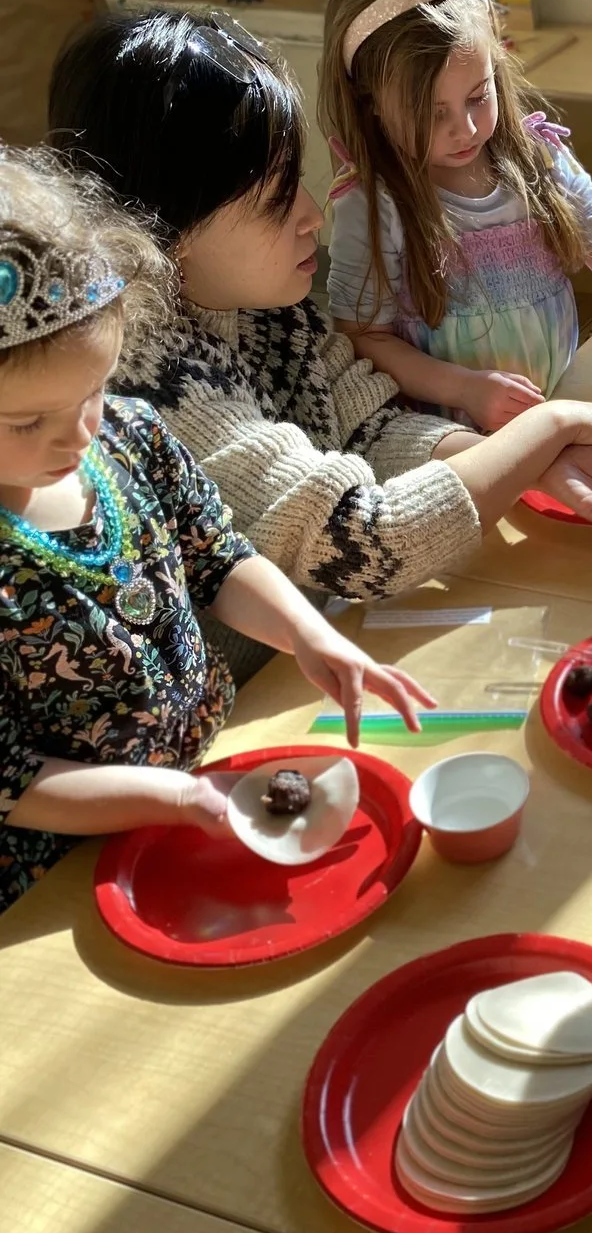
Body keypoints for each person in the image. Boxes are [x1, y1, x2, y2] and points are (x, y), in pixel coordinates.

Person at [47, 9, 592, 677]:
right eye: (277, 200)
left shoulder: (261, 307)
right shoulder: (151, 385)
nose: (312, 215)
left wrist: (532, 462)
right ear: (166, 231)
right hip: (249, 709)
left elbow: (368, 426)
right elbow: (366, 539)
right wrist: (549, 427)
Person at [0, 149, 435, 911]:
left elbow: (221, 562)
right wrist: (171, 801)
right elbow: (15, 784)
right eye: (28, 422)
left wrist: (308, 633)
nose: (76, 438)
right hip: (61, 873)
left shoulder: (131, 437)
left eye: (93, 391)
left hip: (201, 794)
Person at [321, 0, 592, 423]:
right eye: (431, 112)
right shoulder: (373, 204)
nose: (464, 129)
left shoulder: (540, 158)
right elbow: (362, 339)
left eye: (477, 96)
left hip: (553, 416)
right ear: (371, 102)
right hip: (448, 442)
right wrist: (465, 389)